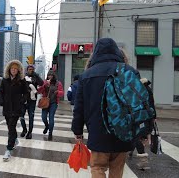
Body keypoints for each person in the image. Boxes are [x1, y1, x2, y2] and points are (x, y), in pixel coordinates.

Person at [72, 38, 140, 178]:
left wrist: (78, 132)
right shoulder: (130, 72)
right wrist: (142, 131)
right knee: (117, 170)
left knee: (97, 167)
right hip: (123, 132)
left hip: (98, 132)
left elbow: (79, 108)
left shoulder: (86, 76)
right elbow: (137, 103)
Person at [0, 60, 28, 161]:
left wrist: (22, 100)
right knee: (10, 127)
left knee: (11, 127)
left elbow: (26, 93)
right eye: (12, 69)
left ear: (18, 70)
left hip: (16, 108)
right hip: (7, 107)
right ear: (9, 69)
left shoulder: (22, 80)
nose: (14, 70)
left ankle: (8, 149)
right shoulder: (5, 80)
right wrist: (1, 101)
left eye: (16, 69)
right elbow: (0, 91)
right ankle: (14, 140)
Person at [38, 69, 64, 141]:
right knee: (43, 117)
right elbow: (39, 91)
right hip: (45, 103)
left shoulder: (58, 83)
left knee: (51, 117)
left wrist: (58, 92)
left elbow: (62, 93)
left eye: (51, 75)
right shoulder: (45, 82)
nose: (50, 77)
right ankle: (47, 126)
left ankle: (50, 132)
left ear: (54, 76)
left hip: (53, 103)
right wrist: (44, 85)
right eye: (49, 75)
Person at [19, 65, 44, 139]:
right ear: (27, 70)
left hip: (32, 101)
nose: (31, 70)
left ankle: (30, 132)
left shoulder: (36, 77)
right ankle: (24, 129)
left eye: (32, 69)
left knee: (31, 117)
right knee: (21, 116)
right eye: (29, 69)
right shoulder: (23, 77)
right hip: (23, 100)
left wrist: (36, 74)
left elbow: (41, 83)